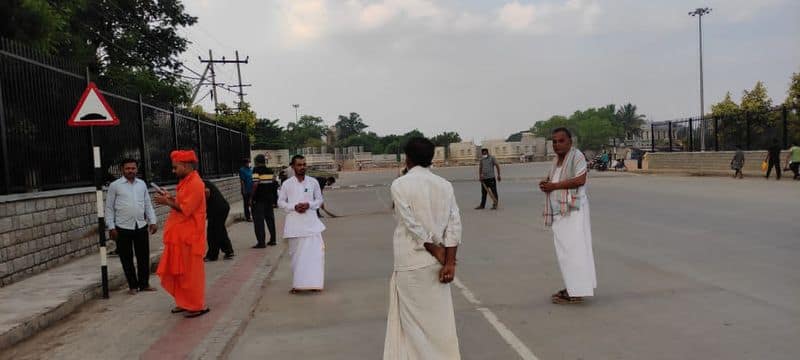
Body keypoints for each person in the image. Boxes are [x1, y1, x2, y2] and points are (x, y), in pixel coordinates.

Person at [384, 137, 462, 360]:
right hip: (438, 263)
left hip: (410, 260)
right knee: (439, 320)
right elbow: (454, 223)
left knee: (411, 325)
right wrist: (448, 260)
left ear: (407, 158)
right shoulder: (445, 185)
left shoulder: (400, 184)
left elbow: (410, 223)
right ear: (432, 158)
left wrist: (433, 248)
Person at [539, 127, 597, 304]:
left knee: (575, 250)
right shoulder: (557, 160)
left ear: (570, 141)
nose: (557, 144)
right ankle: (573, 287)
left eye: (561, 140)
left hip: (573, 210)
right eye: (554, 141)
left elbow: (580, 180)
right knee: (565, 252)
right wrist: (545, 184)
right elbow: (553, 180)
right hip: (560, 212)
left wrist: (554, 187)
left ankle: (576, 292)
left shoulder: (576, 156)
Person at [154, 150, 210, 318]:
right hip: (179, 236)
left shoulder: (195, 183)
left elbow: (186, 209)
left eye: (175, 167)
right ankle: (183, 301)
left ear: (185, 166)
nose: (173, 171)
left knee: (191, 274)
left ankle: (196, 305)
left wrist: (167, 202)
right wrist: (169, 197)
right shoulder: (186, 181)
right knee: (179, 271)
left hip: (190, 237)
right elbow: (181, 202)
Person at [105, 159, 158, 295]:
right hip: (122, 227)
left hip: (140, 225)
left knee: (143, 257)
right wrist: (111, 227)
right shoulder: (115, 186)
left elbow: (147, 204)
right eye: (128, 168)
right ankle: (133, 286)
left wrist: (153, 221)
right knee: (126, 258)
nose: (131, 171)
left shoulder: (141, 185)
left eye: (133, 168)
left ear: (137, 169)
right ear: (122, 169)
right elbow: (109, 208)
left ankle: (144, 284)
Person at [278, 155, 326, 293]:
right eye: (299, 165)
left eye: (304, 164)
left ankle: (315, 284)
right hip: (294, 225)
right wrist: (294, 207)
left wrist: (309, 204)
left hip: (312, 225)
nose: (302, 167)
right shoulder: (287, 184)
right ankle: (298, 285)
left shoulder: (313, 182)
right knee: (296, 256)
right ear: (293, 167)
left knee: (315, 255)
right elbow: (281, 202)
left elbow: (319, 200)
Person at [250, 154, 278, 248]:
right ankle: (273, 240)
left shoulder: (256, 170)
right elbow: (274, 183)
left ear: (257, 162)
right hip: (269, 199)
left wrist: (251, 197)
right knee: (270, 219)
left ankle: (261, 242)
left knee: (259, 221)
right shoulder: (270, 171)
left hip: (259, 199)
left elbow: (255, 184)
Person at [203, 179, 234, 261]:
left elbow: (206, 191)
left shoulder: (199, 182)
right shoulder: (204, 181)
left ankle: (212, 255)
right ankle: (228, 251)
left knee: (212, 232)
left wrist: (205, 205)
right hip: (222, 207)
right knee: (219, 230)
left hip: (217, 209)